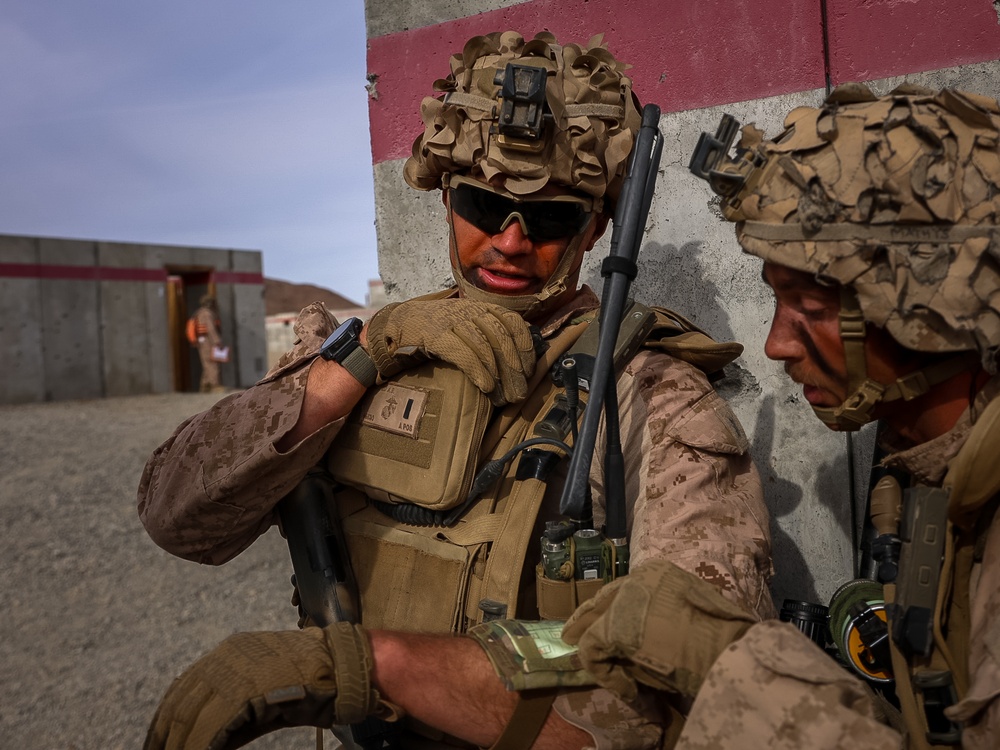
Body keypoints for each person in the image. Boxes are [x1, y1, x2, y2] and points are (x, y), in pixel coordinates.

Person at [138, 30, 774, 749]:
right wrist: (365, 356)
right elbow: (178, 518)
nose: (508, 241)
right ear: (445, 200)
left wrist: (369, 667)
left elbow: (686, 696)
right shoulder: (370, 351)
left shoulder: (649, 396)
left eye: (548, 217)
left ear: (595, 227)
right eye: (483, 204)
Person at [561, 84, 1000, 748]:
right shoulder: (937, 470)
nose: (776, 344)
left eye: (813, 307)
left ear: (931, 310)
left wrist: (729, 659)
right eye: (777, 301)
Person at [192, 294, 225, 393]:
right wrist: (217, 341)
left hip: (203, 341)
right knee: (213, 363)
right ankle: (215, 385)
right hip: (208, 342)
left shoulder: (199, 313)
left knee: (207, 363)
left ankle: (205, 385)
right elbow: (211, 329)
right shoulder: (207, 314)